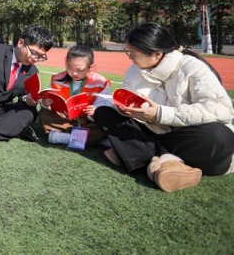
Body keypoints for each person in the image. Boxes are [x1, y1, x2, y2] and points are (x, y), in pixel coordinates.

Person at [94, 22, 234, 192]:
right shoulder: (133, 71)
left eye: (133, 54)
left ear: (157, 54)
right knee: (104, 113)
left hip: (186, 137)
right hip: (153, 132)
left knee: (219, 136)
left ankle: (148, 158)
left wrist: (160, 114)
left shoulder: (193, 67)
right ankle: (168, 162)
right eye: (128, 53)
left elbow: (221, 109)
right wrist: (125, 109)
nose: (130, 58)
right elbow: (130, 105)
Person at [0, 25, 54, 147]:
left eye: (41, 56)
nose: (35, 59)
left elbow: (23, 97)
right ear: (20, 43)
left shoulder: (32, 72)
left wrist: (28, 100)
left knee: (29, 112)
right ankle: (13, 129)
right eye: (34, 53)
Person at [38, 45, 112, 147]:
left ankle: (61, 137)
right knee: (43, 114)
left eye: (80, 69)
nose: (74, 73)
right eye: (69, 67)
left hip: (88, 121)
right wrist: (45, 103)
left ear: (90, 67)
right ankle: (92, 139)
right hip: (65, 118)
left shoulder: (101, 82)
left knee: (107, 123)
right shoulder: (57, 79)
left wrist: (94, 111)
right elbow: (47, 101)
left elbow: (103, 107)